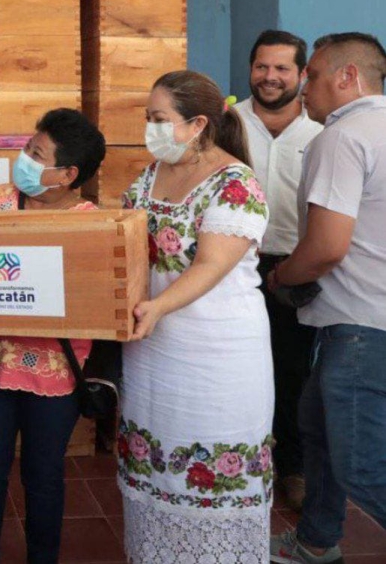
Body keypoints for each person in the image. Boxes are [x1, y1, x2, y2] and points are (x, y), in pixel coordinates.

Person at [119, 71, 274, 563]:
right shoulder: (151, 174)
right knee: (155, 471)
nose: (151, 128)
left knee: (209, 465)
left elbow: (210, 265)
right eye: (148, 118)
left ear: (198, 123)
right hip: (152, 350)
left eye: (159, 118)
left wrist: (159, 305)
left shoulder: (235, 183)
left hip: (216, 355)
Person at [0, 108, 106, 564]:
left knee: (43, 476)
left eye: (36, 154)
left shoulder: (90, 225)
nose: (23, 158)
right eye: (28, 147)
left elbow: (93, 299)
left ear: (67, 175)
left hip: (54, 375)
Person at [269, 32, 386, 564]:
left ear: (348, 76)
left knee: (361, 463)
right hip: (363, 320)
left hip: (361, 324)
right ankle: (316, 540)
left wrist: (281, 277)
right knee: (316, 427)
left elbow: (325, 249)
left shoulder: (342, 136)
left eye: (312, 76)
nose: (303, 89)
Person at [236, 30, 323, 510]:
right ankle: (242, 466)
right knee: (237, 370)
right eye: (261, 66)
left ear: (302, 73)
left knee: (292, 373)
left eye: (281, 68)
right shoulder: (226, 124)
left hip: (295, 267)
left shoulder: (322, 132)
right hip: (233, 266)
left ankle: (292, 467)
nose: (270, 77)